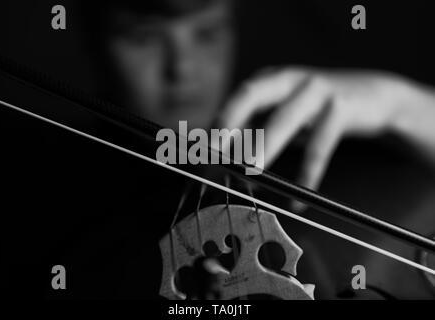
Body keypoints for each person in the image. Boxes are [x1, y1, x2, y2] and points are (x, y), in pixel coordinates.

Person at [76, 0, 435, 298]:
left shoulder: (331, 147)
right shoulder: (52, 183)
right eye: (144, 37)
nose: (181, 67)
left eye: (207, 32)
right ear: (91, 40)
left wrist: (404, 105)